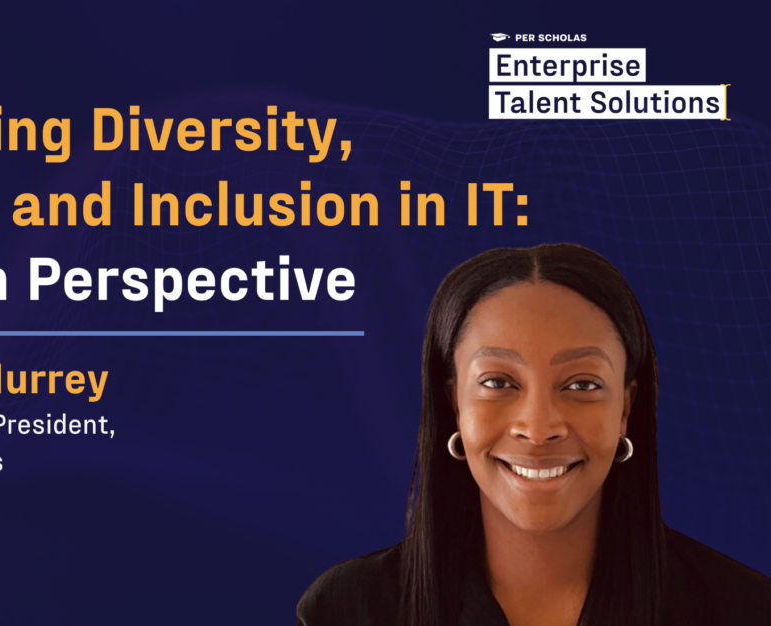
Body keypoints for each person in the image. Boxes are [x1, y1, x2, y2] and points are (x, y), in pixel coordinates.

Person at [296, 244, 770, 626]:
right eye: (498, 383)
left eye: (582, 385)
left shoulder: (744, 609)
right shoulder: (346, 610)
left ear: (625, 408)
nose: (539, 428)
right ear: (453, 403)